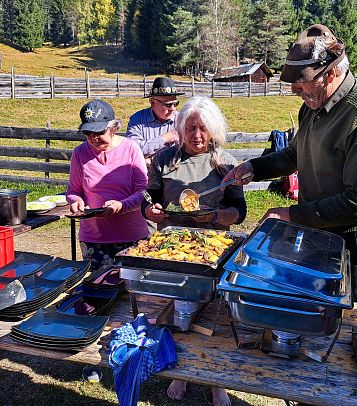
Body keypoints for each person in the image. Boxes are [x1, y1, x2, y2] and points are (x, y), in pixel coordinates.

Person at [223, 24, 357, 305]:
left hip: (354, 237)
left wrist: (290, 215)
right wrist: (254, 168)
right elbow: (294, 155)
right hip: (319, 226)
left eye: (301, 82)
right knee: (314, 302)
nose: (295, 89)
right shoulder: (312, 105)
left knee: (349, 313)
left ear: (329, 74)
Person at [143, 96, 246, 406]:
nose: (197, 135)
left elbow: (239, 211)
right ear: (180, 128)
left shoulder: (226, 163)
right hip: (174, 251)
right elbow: (149, 198)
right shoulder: (164, 160)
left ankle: (216, 381)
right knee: (177, 313)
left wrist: (214, 217)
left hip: (213, 252)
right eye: (190, 128)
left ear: (212, 129)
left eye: (203, 128)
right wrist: (152, 211)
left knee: (215, 318)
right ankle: (181, 372)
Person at [66, 99, 149, 271]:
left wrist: (122, 206)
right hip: (93, 238)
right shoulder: (79, 153)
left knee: (130, 292)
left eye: (99, 132)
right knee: (98, 289)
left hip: (131, 235)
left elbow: (144, 192)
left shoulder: (131, 149)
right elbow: (73, 190)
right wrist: (75, 201)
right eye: (88, 133)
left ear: (113, 128)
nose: (94, 138)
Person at [125, 76, 184, 164]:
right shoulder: (137, 120)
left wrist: (151, 159)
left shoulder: (181, 119)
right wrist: (164, 138)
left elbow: (187, 151)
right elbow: (133, 151)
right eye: (168, 105)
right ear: (153, 103)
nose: (173, 109)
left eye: (176, 104)